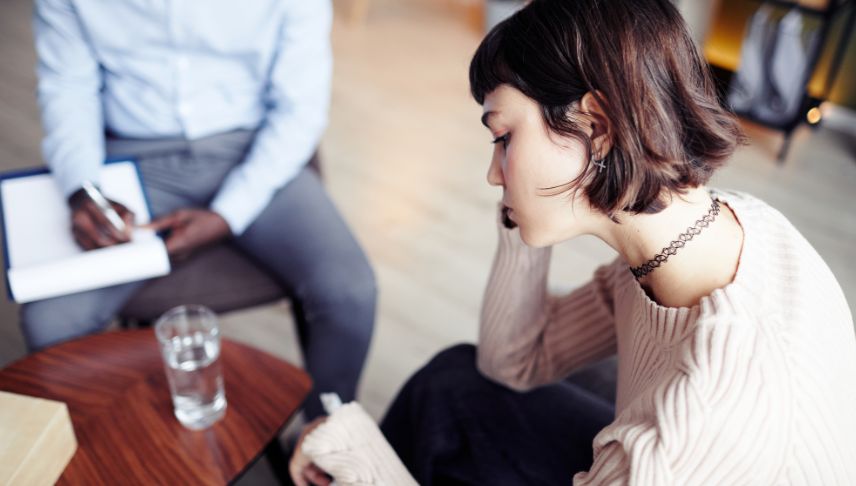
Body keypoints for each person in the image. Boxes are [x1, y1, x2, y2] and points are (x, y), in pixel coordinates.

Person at [288, 0, 856, 484]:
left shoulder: (687, 427)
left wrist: (366, 465)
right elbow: (512, 363)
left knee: (382, 441)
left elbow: (672, 444)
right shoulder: (704, 233)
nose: (492, 172)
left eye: (504, 136)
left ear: (597, 126)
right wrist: (523, 209)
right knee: (454, 383)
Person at [23, 0, 376, 421]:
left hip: (252, 149)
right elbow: (67, 89)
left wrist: (227, 214)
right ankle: (101, 448)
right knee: (49, 320)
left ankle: (325, 437)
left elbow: (300, 109)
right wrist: (82, 187)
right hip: (129, 157)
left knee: (351, 292)